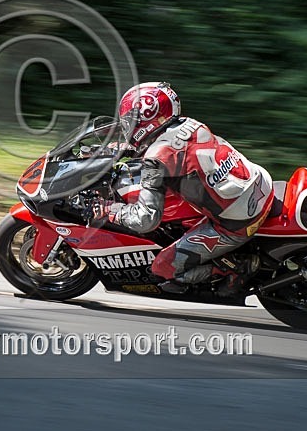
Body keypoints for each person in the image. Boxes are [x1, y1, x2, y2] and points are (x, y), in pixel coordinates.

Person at [90, 82, 274, 295]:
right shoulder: (189, 124)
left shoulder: (156, 159)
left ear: (146, 119)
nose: (126, 127)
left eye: (130, 121)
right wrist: (116, 150)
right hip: (258, 183)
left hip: (238, 220)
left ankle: (234, 269)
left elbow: (146, 219)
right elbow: (170, 151)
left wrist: (108, 210)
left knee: (162, 268)